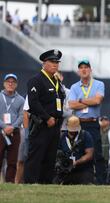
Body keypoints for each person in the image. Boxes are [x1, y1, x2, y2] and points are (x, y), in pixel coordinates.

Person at [24, 49, 66, 184]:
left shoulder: (57, 81)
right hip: (42, 123)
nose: (55, 65)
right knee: (36, 154)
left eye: (57, 62)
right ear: (44, 63)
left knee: (50, 156)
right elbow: (33, 103)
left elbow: (60, 100)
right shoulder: (36, 80)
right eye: (52, 62)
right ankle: (31, 182)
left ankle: (46, 183)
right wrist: (47, 118)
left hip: (55, 124)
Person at [68, 59, 106, 184]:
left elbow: (97, 101)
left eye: (86, 67)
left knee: (97, 153)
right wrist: (88, 101)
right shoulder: (74, 86)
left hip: (92, 122)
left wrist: (80, 100)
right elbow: (71, 105)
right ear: (79, 71)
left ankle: (101, 182)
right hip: (79, 123)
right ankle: (81, 180)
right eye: (81, 68)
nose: (83, 70)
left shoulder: (99, 84)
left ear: (90, 70)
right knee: (79, 152)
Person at [54, 116, 94, 185]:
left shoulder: (85, 135)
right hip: (66, 169)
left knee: (87, 181)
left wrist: (76, 162)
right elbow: (58, 152)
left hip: (83, 169)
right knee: (55, 181)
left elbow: (89, 155)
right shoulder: (62, 137)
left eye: (74, 130)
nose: (73, 132)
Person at [0, 73, 25, 183]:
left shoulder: (20, 99)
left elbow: (21, 116)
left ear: (16, 85)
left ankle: (9, 182)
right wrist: (5, 127)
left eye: (13, 82)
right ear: (4, 84)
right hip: (1, 131)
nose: (10, 84)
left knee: (12, 160)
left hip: (14, 133)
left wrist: (12, 127)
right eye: (8, 82)